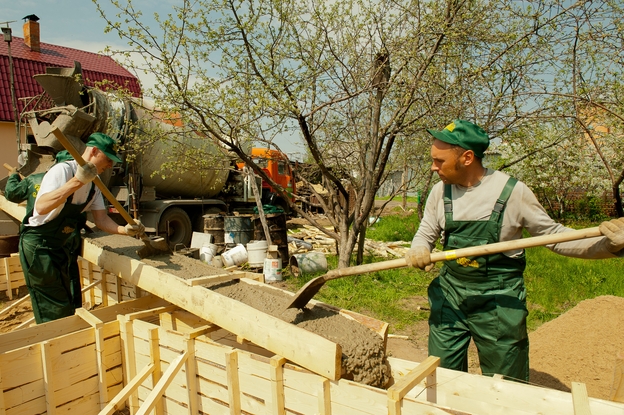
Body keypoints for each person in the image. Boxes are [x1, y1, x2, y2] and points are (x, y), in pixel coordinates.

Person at [406, 119, 624, 382]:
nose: (433, 167)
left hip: (498, 303)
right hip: (451, 297)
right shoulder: (440, 192)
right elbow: (426, 231)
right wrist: (419, 248)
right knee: (441, 376)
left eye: (439, 161)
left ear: (467, 158)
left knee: (505, 385)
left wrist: (608, 245)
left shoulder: (511, 192)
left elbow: (556, 237)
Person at [18, 133, 145, 324]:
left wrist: (124, 230)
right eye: (108, 159)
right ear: (94, 151)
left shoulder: (95, 185)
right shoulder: (63, 171)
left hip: (60, 248)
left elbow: (101, 219)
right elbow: (41, 206)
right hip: (39, 247)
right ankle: (56, 341)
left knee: (69, 302)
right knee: (53, 309)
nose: (110, 165)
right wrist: (77, 181)